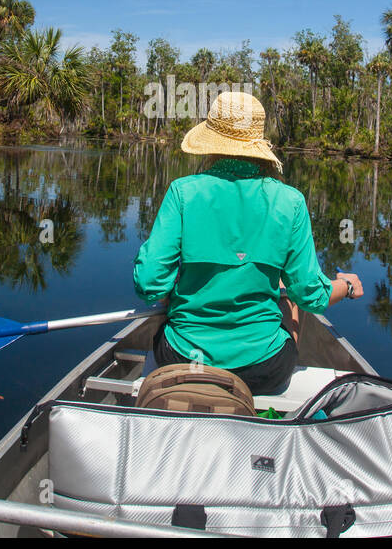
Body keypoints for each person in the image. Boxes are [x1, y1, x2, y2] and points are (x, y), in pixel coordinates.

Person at [133, 90, 364, 395]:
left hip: (183, 361)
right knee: (290, 298)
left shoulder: (183, 192)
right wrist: (346, 286)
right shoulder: (290, 201)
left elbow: (149, 283)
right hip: (261, 370)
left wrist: (170, 295)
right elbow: (311, 295)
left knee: (174, 296)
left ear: (212, 143)